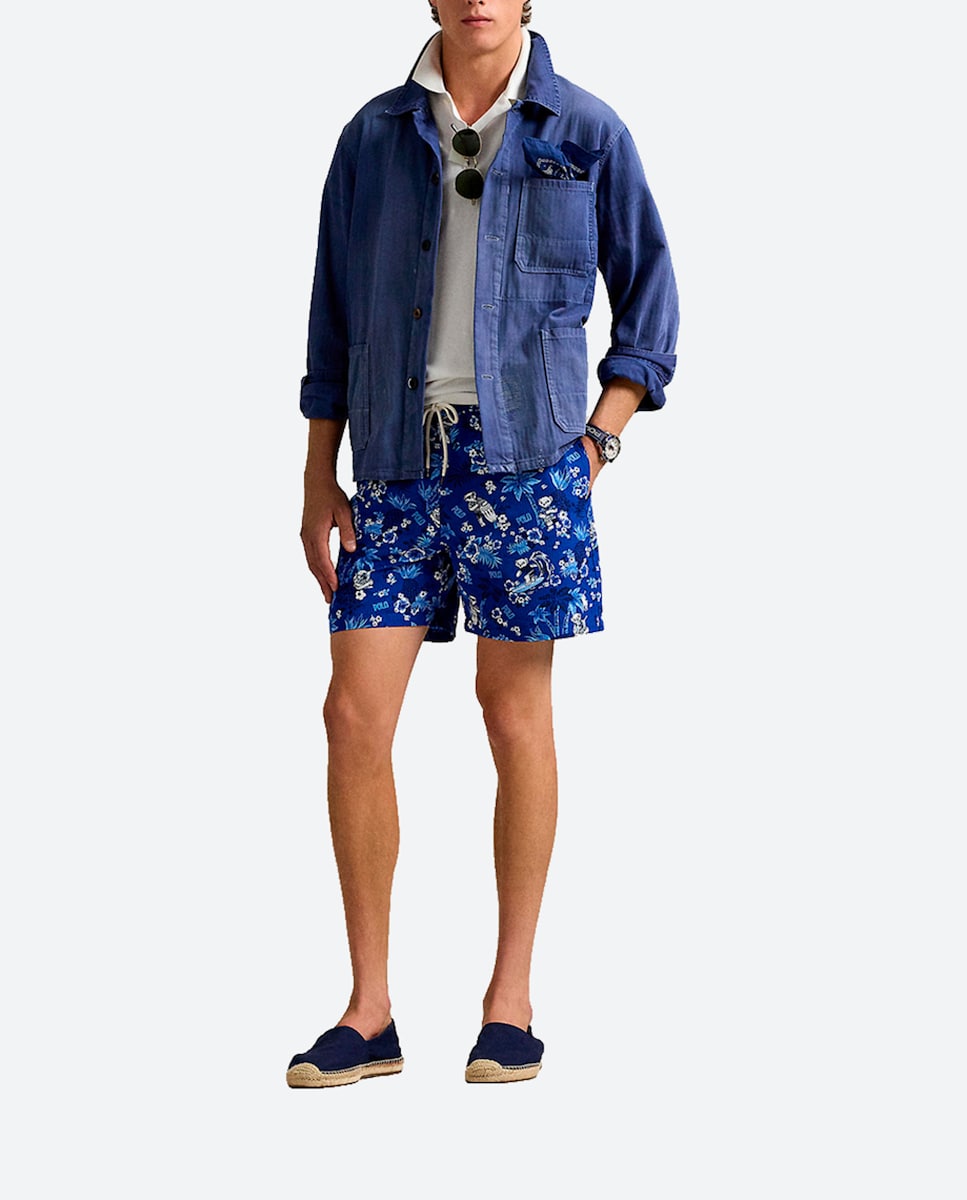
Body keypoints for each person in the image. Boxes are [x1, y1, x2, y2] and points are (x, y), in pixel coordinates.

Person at [287, 0, 679, 1087]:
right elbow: (330, 315)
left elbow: (651, 304)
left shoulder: (585, 130)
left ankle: (510, 1001)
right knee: (352, 714)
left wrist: (597, 441)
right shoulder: (371, 136)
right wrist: (317, 471)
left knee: (512, 713)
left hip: (528, 464)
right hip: (394, 461)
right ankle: (369, 1012)